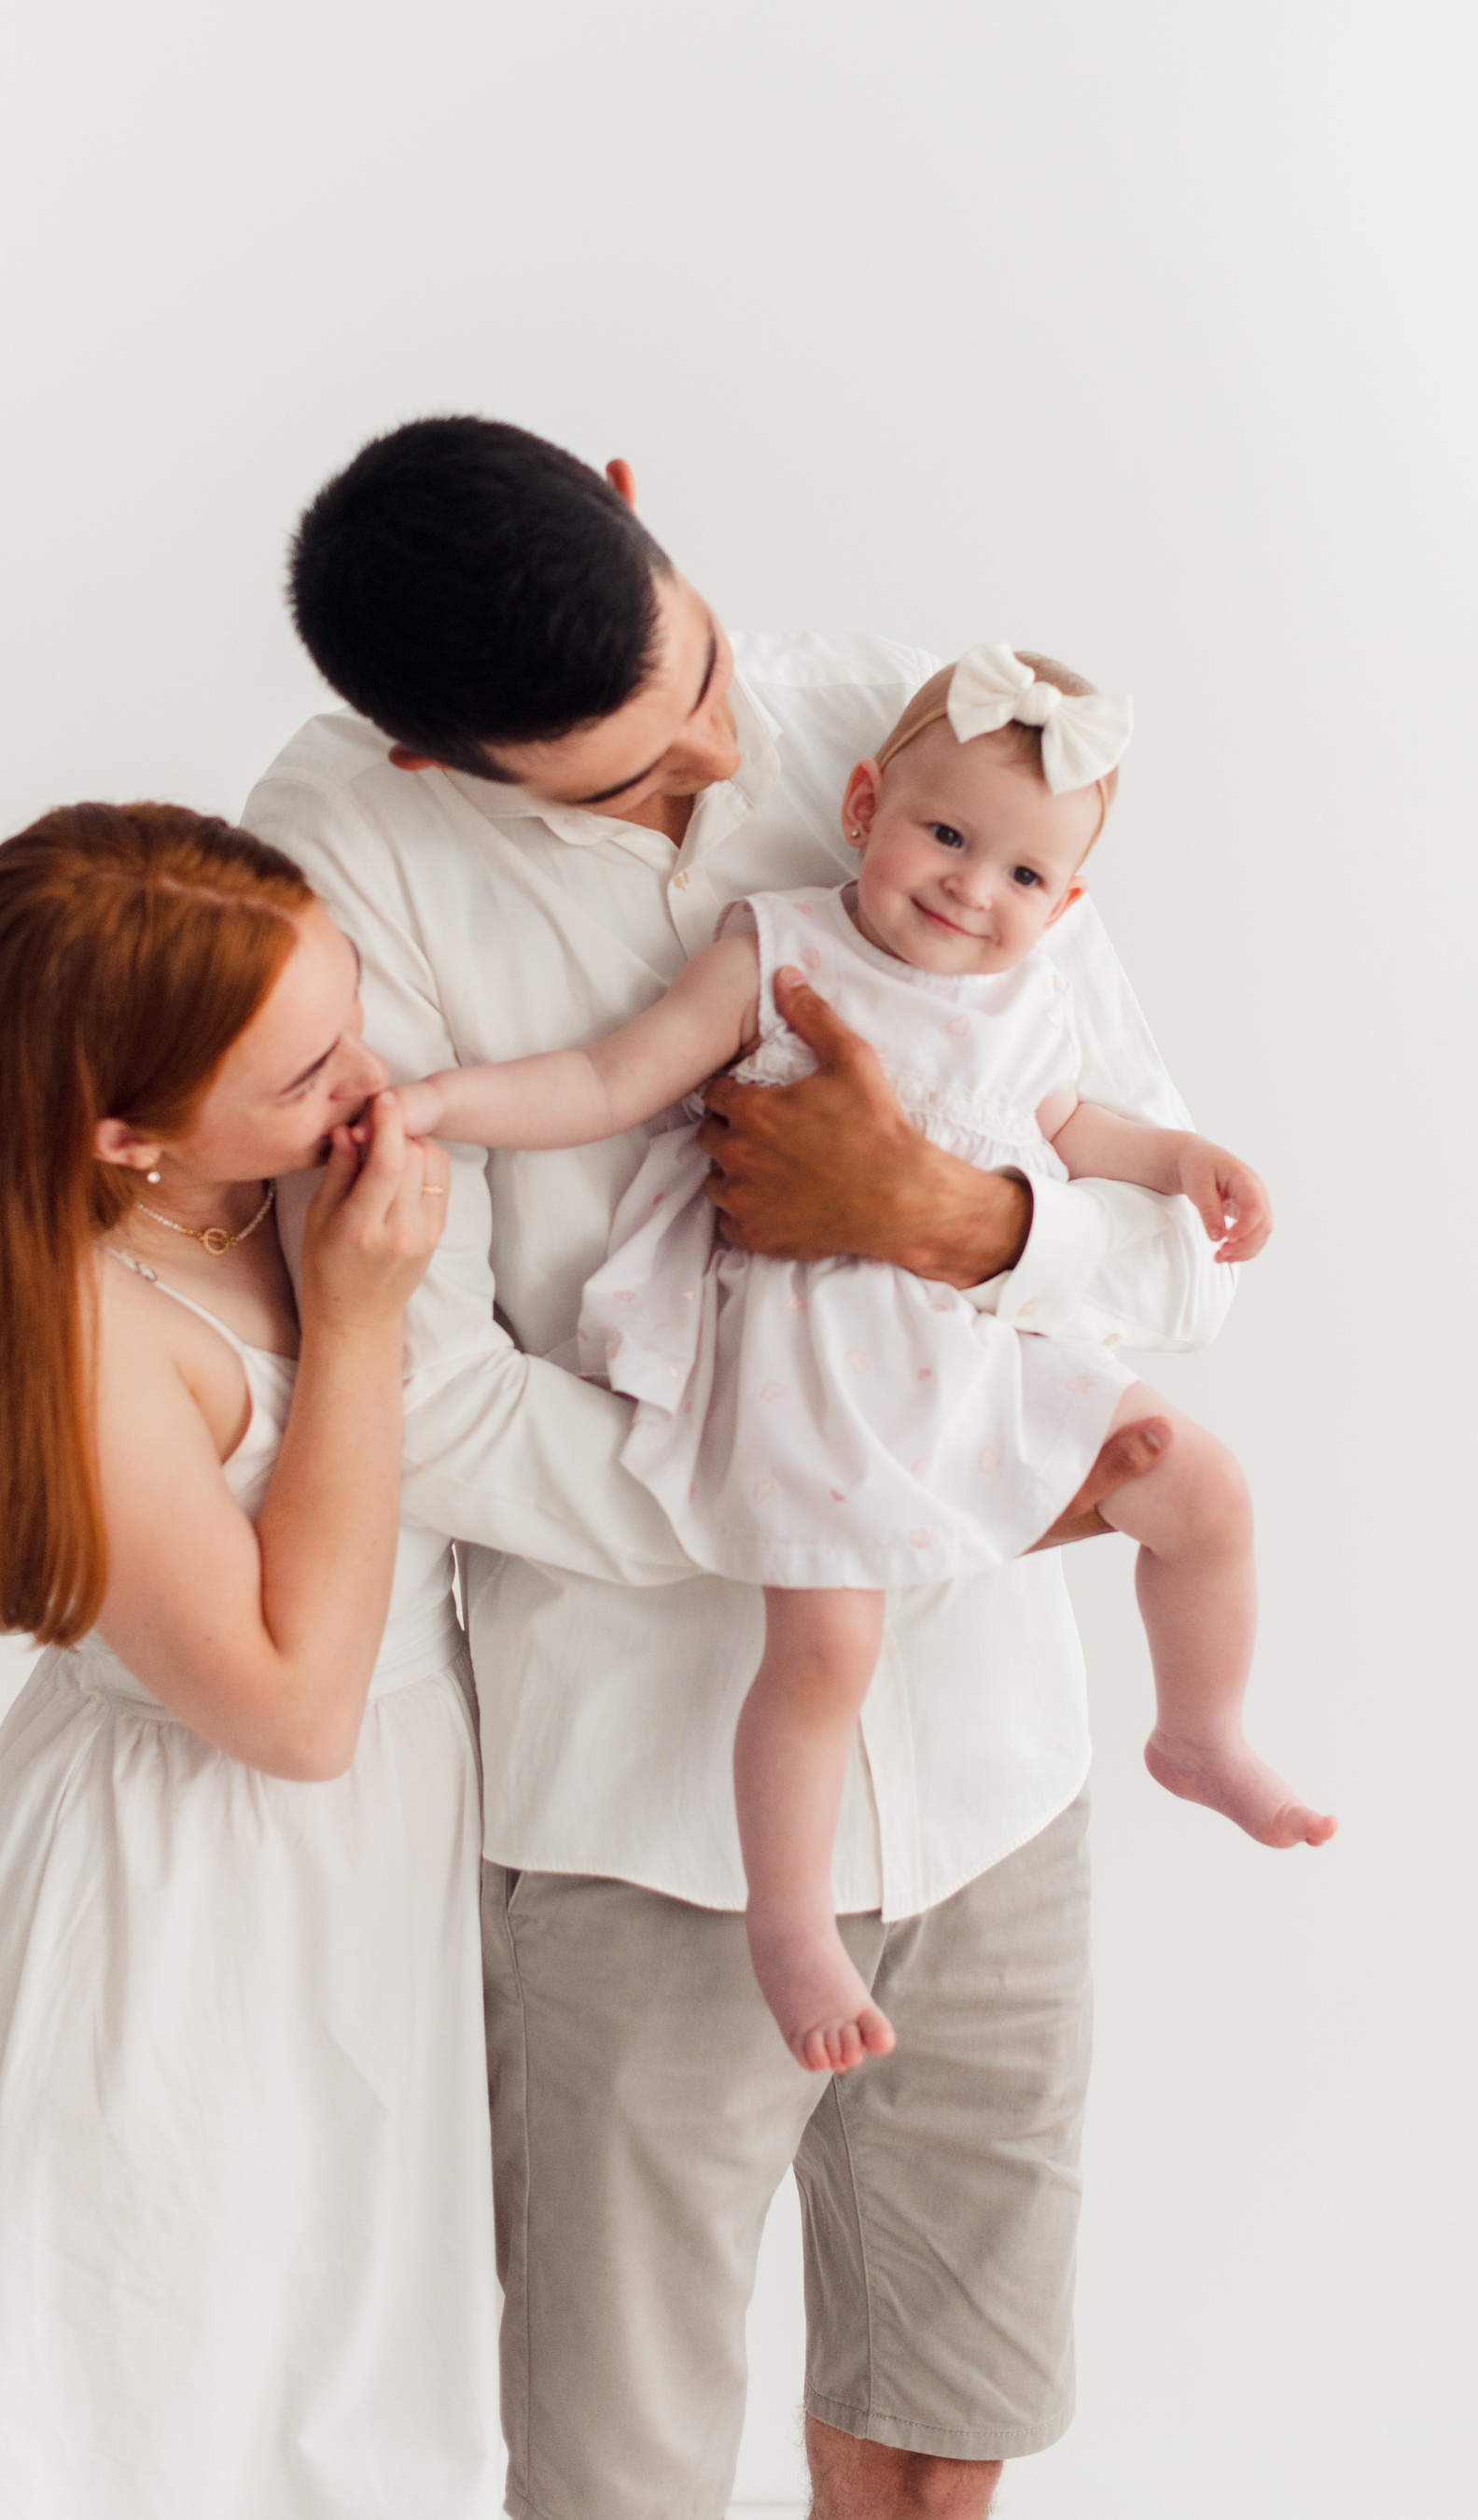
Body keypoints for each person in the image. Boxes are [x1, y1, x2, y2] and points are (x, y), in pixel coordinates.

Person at [246, 416, 1233, 2520]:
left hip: (993, 1771)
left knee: (946, 2426)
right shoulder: (342, 863)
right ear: (431, 755)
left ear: (633, 505)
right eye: (625, 773)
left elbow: (1171, 1248)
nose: (721, 753)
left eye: (698, 671)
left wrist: (945, 1218)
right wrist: (845, 1499)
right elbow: (418, 1395)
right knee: (619, 2473)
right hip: (643, 1816)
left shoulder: (920, 737)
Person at [390, 637, 1333, 2075]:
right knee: (826, 1646)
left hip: (964, 1343)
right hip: (811, 1359)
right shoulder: (777, 950)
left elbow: (1085, 1134)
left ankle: (1201, 1729)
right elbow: (606, 1079)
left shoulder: (1030, 1003)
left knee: (1201, 1488)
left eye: (1023, 875)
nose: (972, 888)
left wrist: (1187, 1158)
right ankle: (791, 1924)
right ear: (861, 807)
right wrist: (443, 1102)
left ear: (1066, 905)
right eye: (945, 837)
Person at [0, 802, 502, 2520]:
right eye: (303, 1074)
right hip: (189, 1894)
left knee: (349, 2389)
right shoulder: (90, 1328)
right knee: (164, 2396)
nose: (365, 1079)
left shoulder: (269, 1183)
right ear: (122, 1134)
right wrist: (356, 1321)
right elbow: (293, 1711)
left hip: (375, 1865)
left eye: (348, 1015)